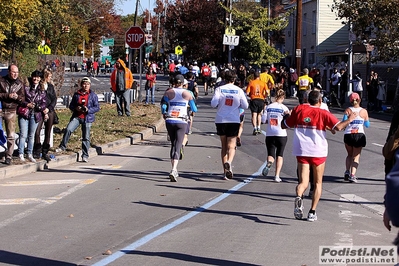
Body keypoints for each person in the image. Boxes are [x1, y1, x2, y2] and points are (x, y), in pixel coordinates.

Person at [282, 90, 357, 222]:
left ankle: (299, 196)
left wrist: (286, 116)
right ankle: (312, 212)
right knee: (317, 182)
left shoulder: (299, 109)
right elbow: (338, 127)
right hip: (318, 151)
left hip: (302, 150)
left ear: (307, 99)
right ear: (320, 101)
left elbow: (285, 125)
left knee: (303, 182)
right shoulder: (323, 112)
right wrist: (350, 120)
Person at [211, 71, 249, 180]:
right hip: (233, 119)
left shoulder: (219, 89)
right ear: (234, 79)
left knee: (223, 146)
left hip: (221, 119)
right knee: (232, 146)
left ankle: (225, 172)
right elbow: (245, 105)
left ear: (224, 79)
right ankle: (229, 162)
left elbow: (213, 104)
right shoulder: (239, 90)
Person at [161, 74, 197, 182]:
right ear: (183, 83)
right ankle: (174, 169)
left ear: (174, 83)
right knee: (178, 145)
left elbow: (163, 106)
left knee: (173, 144)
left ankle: (173, 168)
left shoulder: (168, 92)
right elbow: (194, 108)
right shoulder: (188, 93)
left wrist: (164, 113)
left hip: (170, 120)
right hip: (181, 121)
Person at [56, 77, 100, 162]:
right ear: (81, 85)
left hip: (87, 118)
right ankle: (62, 146)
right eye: (84, 84)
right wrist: (76, 108)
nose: (86, 86)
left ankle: (85, 155)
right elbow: (71, 106)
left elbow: (97, 107)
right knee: (68, 129)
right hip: (77, 116)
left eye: (87, 84)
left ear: (90, 85)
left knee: (86, 137)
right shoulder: (77, 94)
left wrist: (88, 110)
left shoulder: (93, 95)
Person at [18, 71, 47, 163]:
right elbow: (20, 99)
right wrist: (27, 104)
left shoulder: (42, 89)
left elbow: (44, 102)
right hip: (25, 113)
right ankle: (21, 153)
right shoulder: (25, 86)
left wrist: (39, 107)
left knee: (31, 135)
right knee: (23, 134)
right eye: (34, 77)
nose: (36, 79)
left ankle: (29, 153)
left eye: (38, 77)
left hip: (35, 114)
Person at [262, 89, 290, 182]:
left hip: (270, 133)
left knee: (271, 153)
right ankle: (277, 175)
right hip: (281, 134)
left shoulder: (269, 107)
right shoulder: (284, 108)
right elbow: (287, 122)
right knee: (280, 154)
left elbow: (263, 120)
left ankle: (269, 163)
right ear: (283, 97)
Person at [0, 64, 25, 165]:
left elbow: (23, 99)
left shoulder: (20, 84)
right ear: (9, 72)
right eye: (13, 72)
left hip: (12, 110)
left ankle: (9, 156)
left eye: (17, 73)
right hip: (1, 108)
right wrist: (7, 95)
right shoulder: (1, 80)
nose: (15, 74)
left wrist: (17, 97)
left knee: (11, 135)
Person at [342, 92, 370, 183]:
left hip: (348, 134)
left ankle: (347, 171)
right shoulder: (364, 111)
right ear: (359, 100)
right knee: (356, 157)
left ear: (350, 101)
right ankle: (352, 175)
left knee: (349, 154)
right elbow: (367, 125)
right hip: (359, 135)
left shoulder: (348, 110)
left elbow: (343, 122)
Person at [33, 69, 58, 162]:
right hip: (40, 110)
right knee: (37, 131)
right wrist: (43, 109)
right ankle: (37, 149)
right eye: (49, 76)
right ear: (45, 76)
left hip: (49, 110)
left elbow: (54, 99)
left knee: (48, 131)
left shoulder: (50, 86)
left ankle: (45, 151)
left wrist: (49, 108)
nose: (50, 78)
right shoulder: (39, 86)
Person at [246, 71, 268, 135]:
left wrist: (250, 95)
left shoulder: (251, 83)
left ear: (254, 76)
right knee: (259, 114)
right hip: (261, 99)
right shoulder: (263, 83)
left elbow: (247, 93)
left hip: (254, 99)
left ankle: (255, 128)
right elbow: (267, 91)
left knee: (254, 114)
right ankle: (259, 127)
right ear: (259, 76)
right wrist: (264, 96)